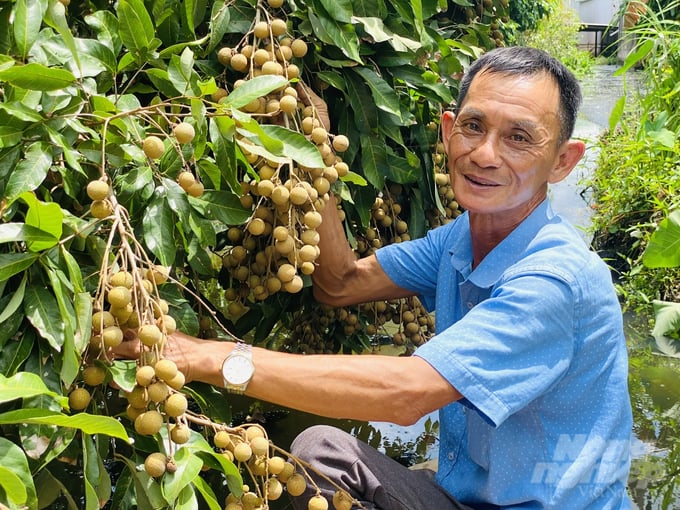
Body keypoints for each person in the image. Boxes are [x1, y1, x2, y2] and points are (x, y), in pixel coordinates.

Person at [118, 46, 633, 509]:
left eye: (519, 137)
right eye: (473, 127)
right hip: (467, 497)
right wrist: (309, 154)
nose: (485, 154)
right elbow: (339, 283)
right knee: (320, 453)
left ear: (563, 162)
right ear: (449, 131)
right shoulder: (458, 240)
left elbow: (408, 394)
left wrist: (204, 357)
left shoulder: (555, 280)